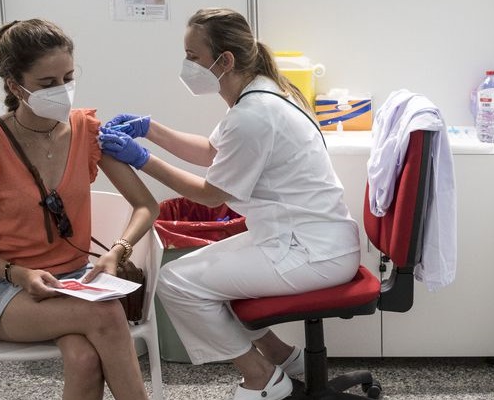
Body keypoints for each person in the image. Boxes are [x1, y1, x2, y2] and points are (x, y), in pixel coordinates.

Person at [98, 8, 360, 400]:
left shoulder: (254, 114)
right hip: (303, 238)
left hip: (310, 251)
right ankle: (285, 359)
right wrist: (150, 129)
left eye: (193, 57)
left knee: (176, 283)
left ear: (225, 60)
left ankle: (261, 377)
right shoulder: (260, 94)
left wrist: (142, 160)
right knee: (194, 278)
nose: (187, 66)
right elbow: (212, 151)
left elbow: (210, 193)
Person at [0, 19, 157, 400]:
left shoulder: (86, 131)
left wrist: (117, 252)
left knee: (84, 359)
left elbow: (146, 205)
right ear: (16, 86)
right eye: (48, 84)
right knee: (108, 314)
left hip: (73, 283)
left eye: (68, 77)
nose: (62, 91)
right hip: (1, 287)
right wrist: (20, 273)